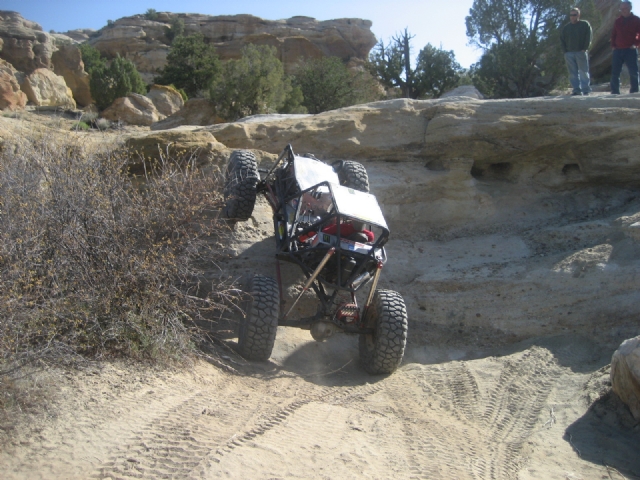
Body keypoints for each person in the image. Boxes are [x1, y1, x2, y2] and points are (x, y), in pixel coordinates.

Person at [561, 7, 592, 96]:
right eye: (571, 15)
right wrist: (565, 51)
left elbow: (588, 37)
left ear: (578, 15)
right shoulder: (566, 27)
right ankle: (576, 90)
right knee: (572, 73)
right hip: (569, 53)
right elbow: (562, 40)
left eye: (574, 15)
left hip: (580, 52)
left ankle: (586, 90)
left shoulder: (584, 24)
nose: (572, 17)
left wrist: (585, 48)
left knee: (583, 72)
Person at [610, 1, 640, 94]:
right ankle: (615, 91)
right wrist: (613, 46)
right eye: (621, 9)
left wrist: (636, 44)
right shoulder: (618, 21)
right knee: (615, 72)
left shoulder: (636, 20)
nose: (623, 11)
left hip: (630, 50)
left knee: (633, 72)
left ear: (630, 8)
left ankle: (634, 91)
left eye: (625, 8)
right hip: (618, 50)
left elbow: (639, 34)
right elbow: (614, 34)